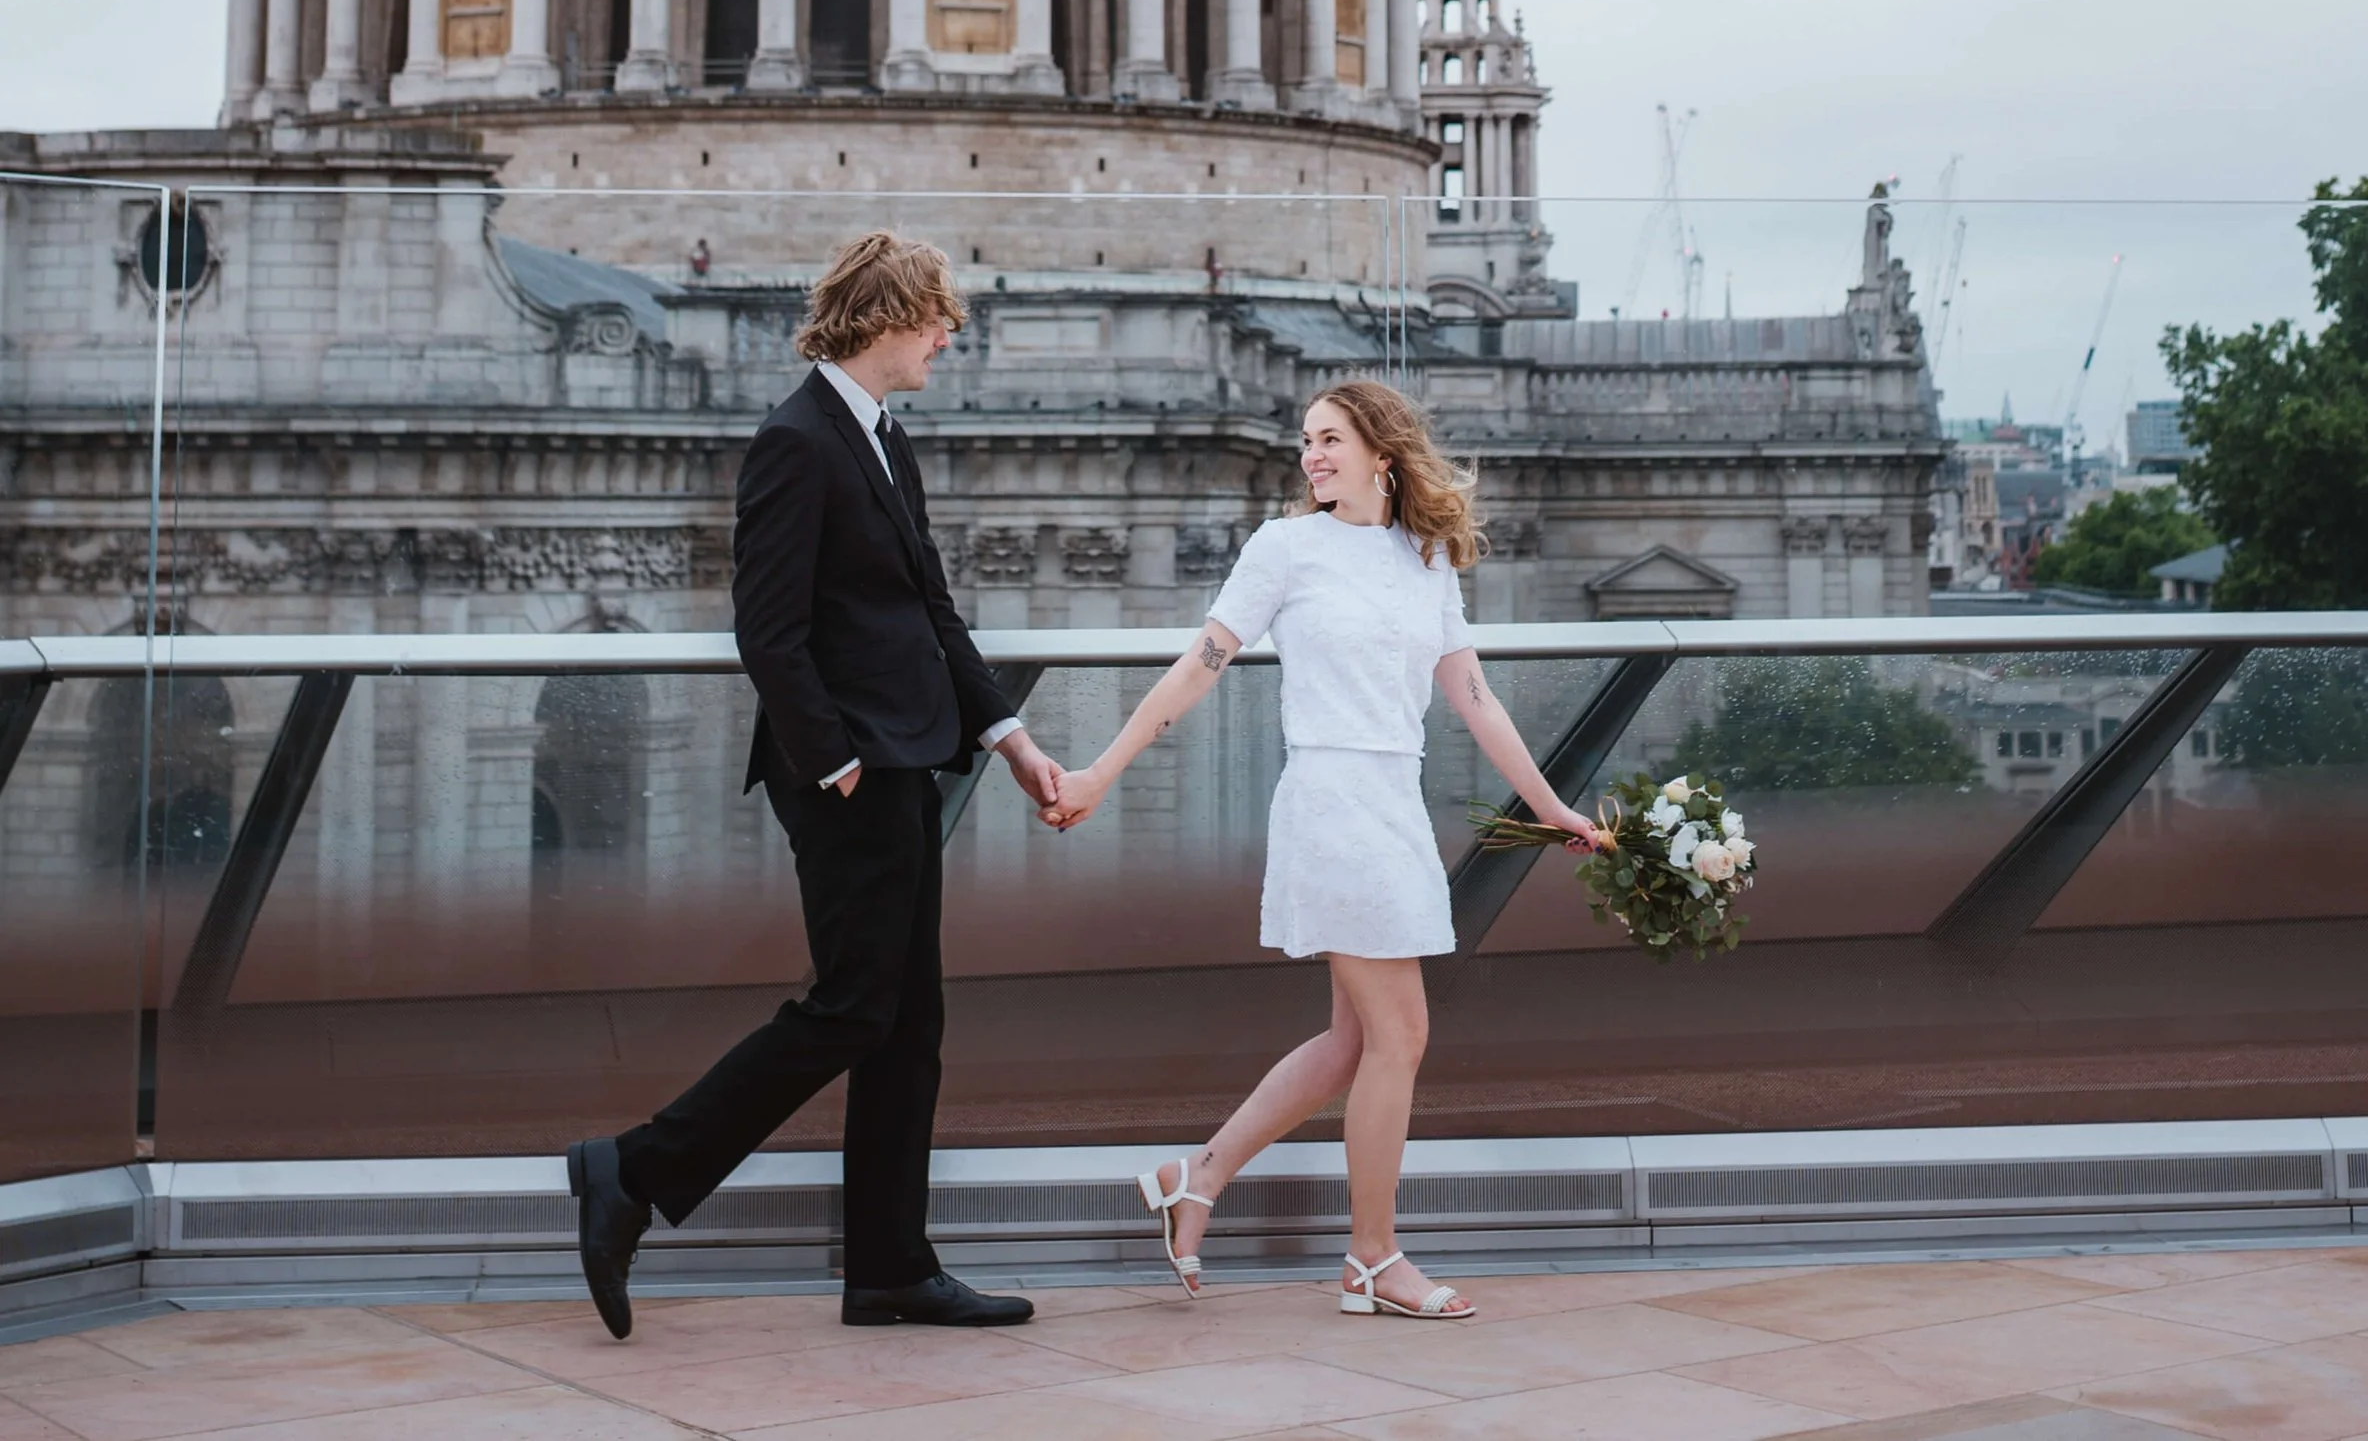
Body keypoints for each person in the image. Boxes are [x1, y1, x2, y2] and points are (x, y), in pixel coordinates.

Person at [568, 232, 1066, 1339]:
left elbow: (933, 610)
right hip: (850, 772)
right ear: (889, 317)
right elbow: (769, 624)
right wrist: (832, 758)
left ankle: (890, 1265)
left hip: (906, 755)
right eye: (939, 316)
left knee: (905, 1022)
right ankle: (633, 1168)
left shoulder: (882, 436)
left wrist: (1008, 736)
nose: (950, 334)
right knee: (851, 1006)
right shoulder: (797, 438)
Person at [1046, 378, 1599, 1320]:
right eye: (1306, 441)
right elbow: (1199, 667)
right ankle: (1373, 1258)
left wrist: (1555, 809)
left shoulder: (1426, 558)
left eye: (1331, 439)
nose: (1313, 456)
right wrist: (1100, 773)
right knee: (1402, 1033)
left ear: (1383, 452)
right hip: (1333, 800)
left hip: (1395, 800)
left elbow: (1475, 697)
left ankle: (1200, 1174)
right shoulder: (1285, 548)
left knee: (1355, 1040)